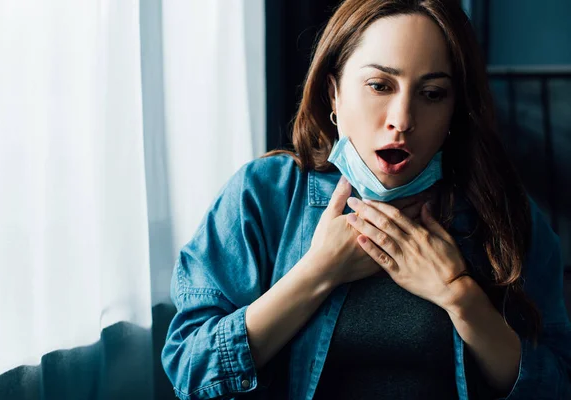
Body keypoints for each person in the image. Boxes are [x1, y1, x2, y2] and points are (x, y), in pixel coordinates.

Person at [161, 0, 571, 399]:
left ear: (454, 110)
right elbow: (192, 374)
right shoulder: (262, 195)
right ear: (334, 94)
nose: (402, 119)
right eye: (379, 85)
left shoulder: (506, 215)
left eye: (431, 94)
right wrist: (317, 273)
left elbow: (558, 384)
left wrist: (460, 297)